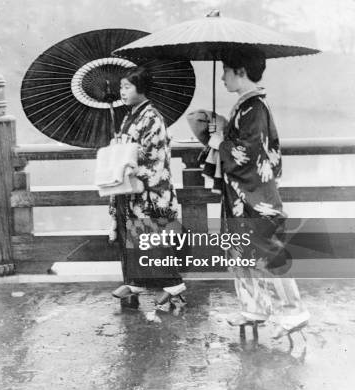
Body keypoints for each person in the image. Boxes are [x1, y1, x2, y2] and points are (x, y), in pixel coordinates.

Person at [207, 50, 309, 339]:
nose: (223, 76)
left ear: (240, 71)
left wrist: (221, 144)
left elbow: (250, 152)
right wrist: (222, 137)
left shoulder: (254, 108)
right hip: (242, 194)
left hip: (255, 195)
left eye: (226, 69)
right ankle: (253, 308)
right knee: (239, 250)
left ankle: (294, 311)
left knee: (269, 250)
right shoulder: (245, 107)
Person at [109, 66, 186, 309]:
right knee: (134, 237)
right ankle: (136, 282)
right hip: (130, 186)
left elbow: (154, 155)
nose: (122, 92)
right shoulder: (129, 115)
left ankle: (174, 286)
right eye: (121, 87)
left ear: (141, 88)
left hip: (150, 190)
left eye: (127, 87)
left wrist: (128, 159)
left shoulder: (152, 117)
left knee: (154, 239)